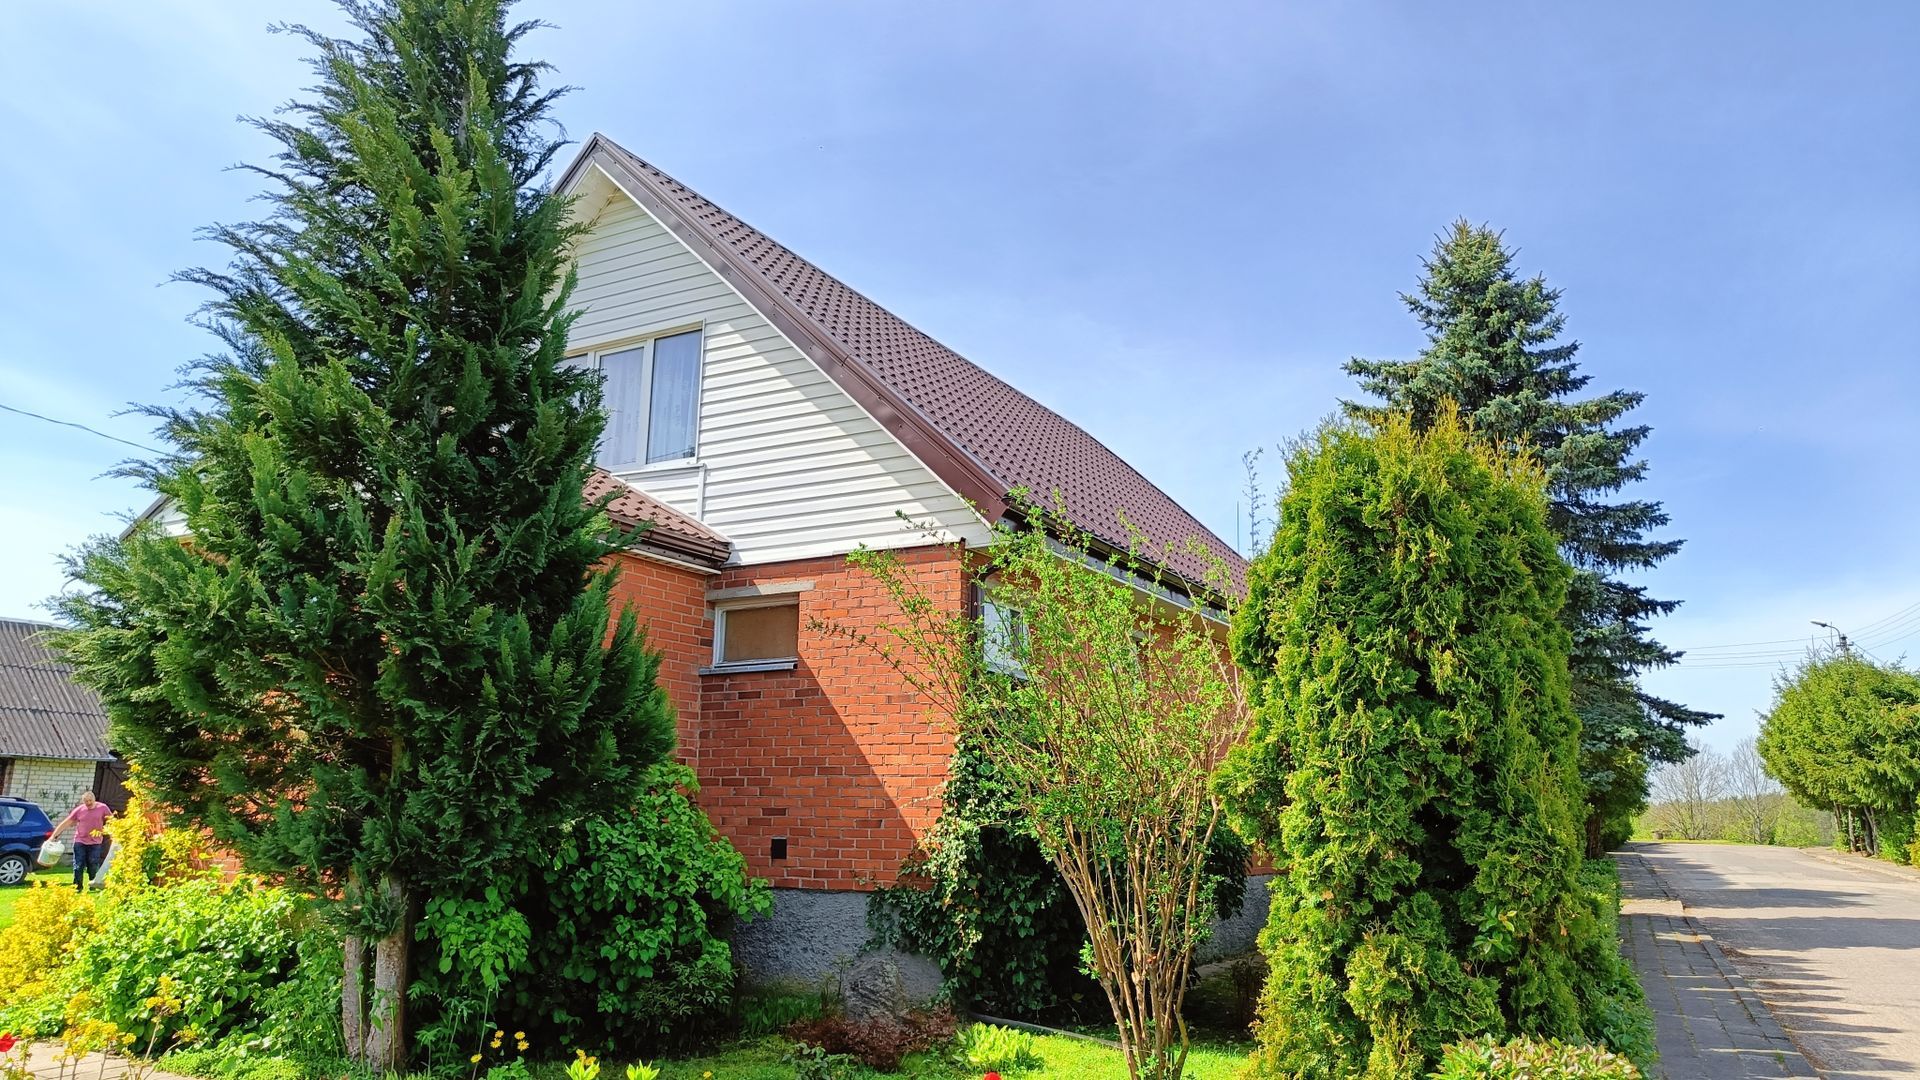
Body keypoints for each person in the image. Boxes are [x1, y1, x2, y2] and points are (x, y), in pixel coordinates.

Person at [49, 790, 113, 891]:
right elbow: (66, 823)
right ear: (83, 801)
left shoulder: (103, 808)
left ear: (94, 799)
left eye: (90, 800)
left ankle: (93, 885)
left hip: (95, 842)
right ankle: (77, 887)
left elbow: (111, 821)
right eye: (86, 801)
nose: (88, 803)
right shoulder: (79, 810)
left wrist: (115, 834)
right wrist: (54, 836)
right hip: (80, 841)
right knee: (78, 865)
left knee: (93, 864)